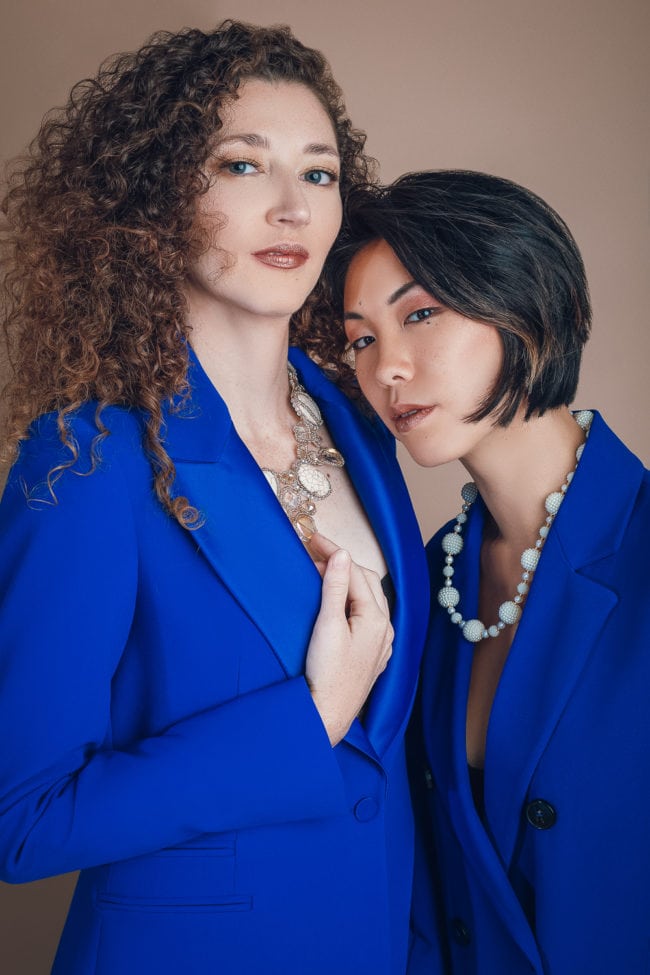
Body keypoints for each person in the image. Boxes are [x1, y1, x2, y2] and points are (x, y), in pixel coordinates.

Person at [0, 23, 431, 975]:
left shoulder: (363, 425)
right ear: (154, 200)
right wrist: (306, 722)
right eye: (242, 165)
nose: (292, 207)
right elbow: (20, 819)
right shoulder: (87, 455)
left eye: (319, 174)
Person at [331, 170, 650, 975]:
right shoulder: (427, 576)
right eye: (362, 338)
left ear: (526, 303)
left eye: (420, 314)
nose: (387, 367)